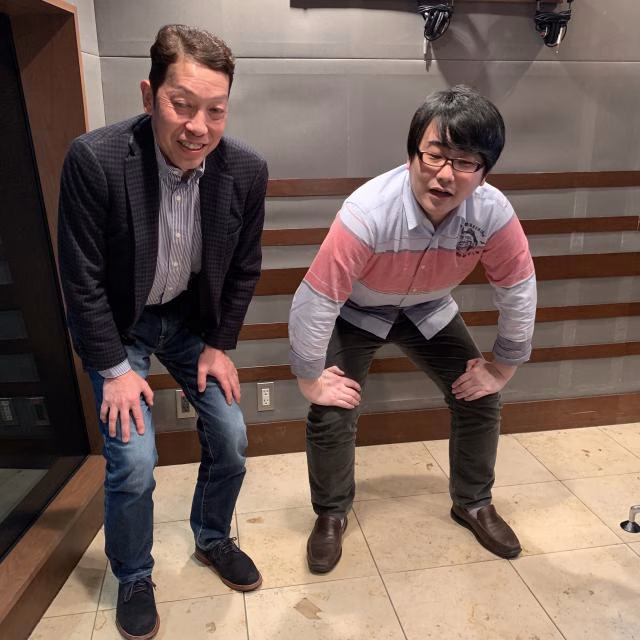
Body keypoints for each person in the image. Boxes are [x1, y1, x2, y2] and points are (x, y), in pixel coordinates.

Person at [58, 24, 268, 640]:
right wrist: (114, 370)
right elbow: (81, 279)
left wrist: (220, 344)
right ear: (150, 95)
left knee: (231, 434)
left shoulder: (245, 169)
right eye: (182, 105)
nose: (198, 127)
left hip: (188, 319)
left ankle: (212, 536)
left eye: (215, 110)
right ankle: (133, 575)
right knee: (134, 459)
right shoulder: (95, 159)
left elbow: (244, 267)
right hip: (119, 323)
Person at [289, 85, 536, 574]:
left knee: (479, 396)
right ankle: (331, 513)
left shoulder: (492, 213)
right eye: (435, 154)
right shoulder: (368, 211)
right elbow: (319, 296)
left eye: (465, 162)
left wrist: (503, 367)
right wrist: (310, 377)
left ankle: (473, 503)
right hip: (358, 311)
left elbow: (518, 287)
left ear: (484, 171)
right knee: (333, 407)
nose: (445, 174)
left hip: (429, 309)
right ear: (412, 154)